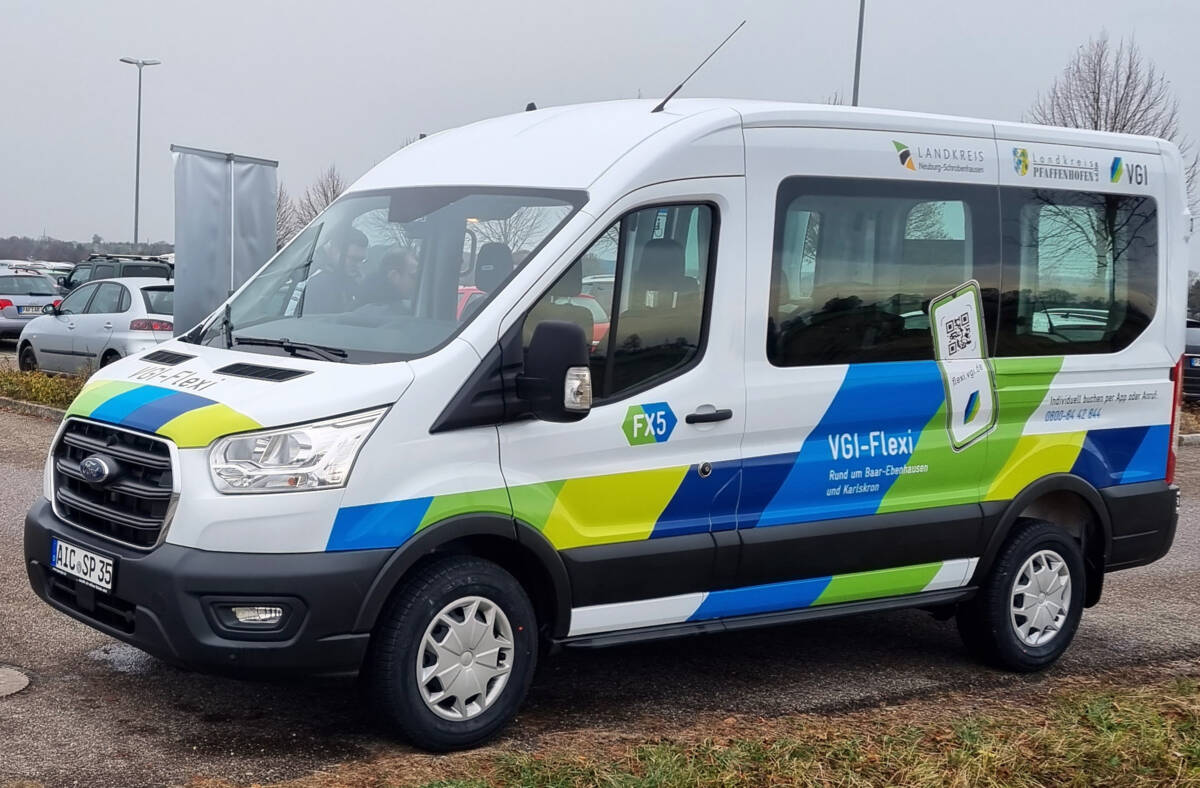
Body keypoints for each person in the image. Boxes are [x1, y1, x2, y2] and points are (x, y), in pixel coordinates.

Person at [302, 227, 368, 314]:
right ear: (333, 251)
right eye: (354, 259)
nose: (359, 266)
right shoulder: (317, 284)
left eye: (362, 260)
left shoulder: (359, 282)